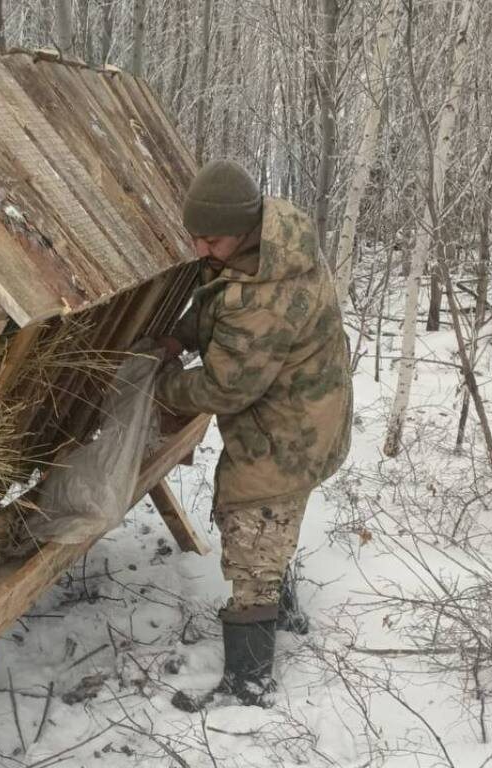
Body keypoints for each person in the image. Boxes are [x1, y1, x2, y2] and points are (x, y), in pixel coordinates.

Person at [153, 159, 353, 710]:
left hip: (287, 431)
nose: (199, 251)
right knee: (272, 522)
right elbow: (221, 299)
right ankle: (283, 609)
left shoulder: (269, 294)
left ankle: (249, 683)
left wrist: (164, 385)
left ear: (240, 228)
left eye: (209, 239)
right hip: (307, 413)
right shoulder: (261, 251)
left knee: (253, 527)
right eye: (194, 237)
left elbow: (224, 388)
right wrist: (182, 335)